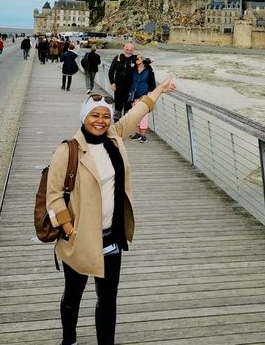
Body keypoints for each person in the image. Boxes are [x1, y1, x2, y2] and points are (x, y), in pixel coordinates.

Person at [46, 74, 177, 345]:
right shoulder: (67, 151)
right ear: (84, 118)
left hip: (110, 237)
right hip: (79, 238)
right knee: (73, 294)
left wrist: (160, 89)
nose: (100, 121)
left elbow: (139, 109)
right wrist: (70, 230)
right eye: (94, 115)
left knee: (107, 298)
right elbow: (54, 197)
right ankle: (68, 339)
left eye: (105, 116)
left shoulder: (115, 137)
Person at [128, 54, 156, 143]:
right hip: (133, 96)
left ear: (143, 60)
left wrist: (148, 95)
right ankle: (138, 133)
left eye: (139, 58)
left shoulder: (149, 70)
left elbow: (152, 85)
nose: (136, 59)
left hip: (144, 96)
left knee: (144, 116)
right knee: (136, 116)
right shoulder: (133, 70)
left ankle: (143, 135)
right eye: (136, 58)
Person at [108, 43, 135, 122]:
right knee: (118, 106)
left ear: (133, 50)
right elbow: (111, 72)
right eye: (127, 49)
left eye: (130, 50)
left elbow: (143, 65)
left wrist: (149, 60)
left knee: (128, 108)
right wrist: (112, 83)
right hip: (118, 87)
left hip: (130, 88)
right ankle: (116, 125)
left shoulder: (135, 58)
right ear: (124, 49)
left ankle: (125, 125)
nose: (128, 51)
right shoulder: (118, 57)